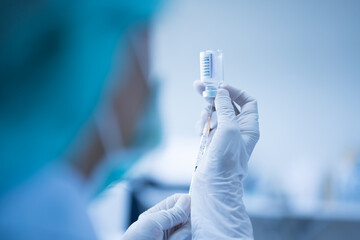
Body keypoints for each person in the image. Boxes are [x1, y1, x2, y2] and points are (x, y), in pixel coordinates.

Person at [0, 1, 259, 239]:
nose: (148, 89)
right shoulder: (44, 222)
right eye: (144, 64)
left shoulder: (26, 208)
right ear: (88, 67)